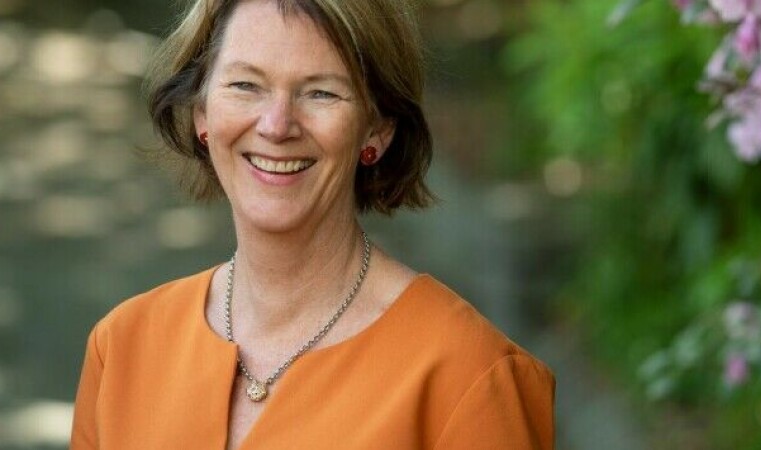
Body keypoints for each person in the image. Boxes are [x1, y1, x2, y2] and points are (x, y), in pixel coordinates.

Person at [70, 0, 555, 448]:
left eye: (321, 92)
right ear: (202, 112)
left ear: (377, 129)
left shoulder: (470, 378)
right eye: (245, 85)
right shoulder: (121, 349)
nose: (276, 125)